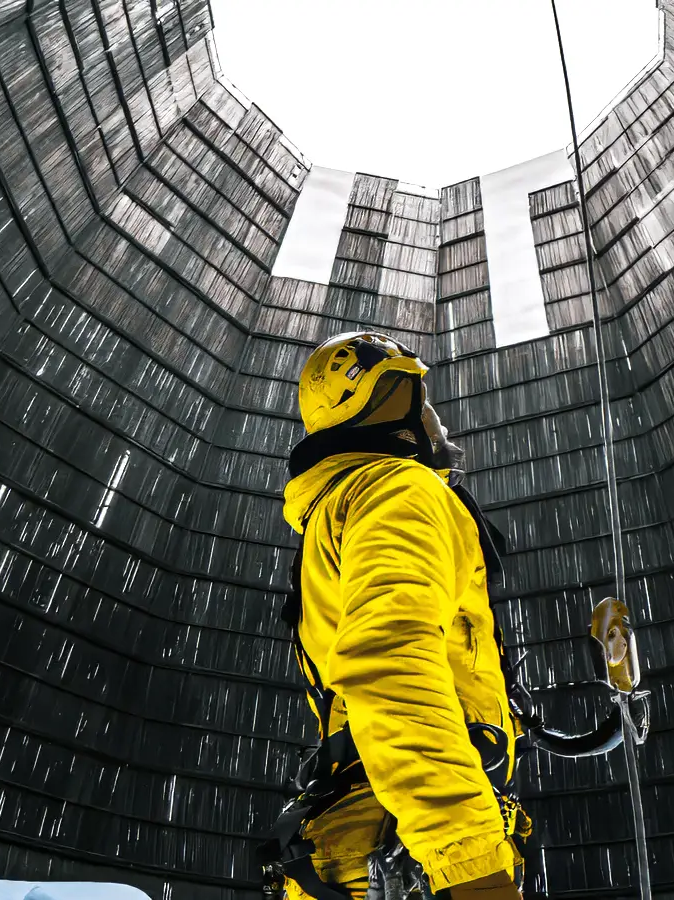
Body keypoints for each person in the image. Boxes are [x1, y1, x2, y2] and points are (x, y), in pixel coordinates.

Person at [271, 331, 529, 900]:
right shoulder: (398, 490)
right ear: (390, 407)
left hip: (361, 843)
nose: (437, 421)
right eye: (420, 401)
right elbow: (391, 663)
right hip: (411, 853)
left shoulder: (340, 509)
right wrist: (475, 873)